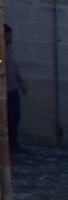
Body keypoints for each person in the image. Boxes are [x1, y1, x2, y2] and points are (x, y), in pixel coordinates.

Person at [5, 27, 24, 157]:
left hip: (12, 89)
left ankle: (14, 144)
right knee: (8, 119)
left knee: (16, 117)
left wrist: (21, 82)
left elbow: (12, 64)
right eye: (9, 35)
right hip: (4, 91)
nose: (11, 38)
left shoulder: (8, 49)